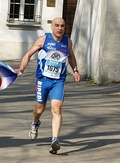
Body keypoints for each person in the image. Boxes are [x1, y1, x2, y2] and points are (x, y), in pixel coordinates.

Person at [14, 17, 81, 154]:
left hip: (58, 81)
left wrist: (75, 70)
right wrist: (21, 68)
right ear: (52, 27)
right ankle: (35, 123)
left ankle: (54, 140)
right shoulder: (43, 40)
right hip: (42, 80)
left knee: (57, 108)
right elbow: (28, 54)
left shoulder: (67, 42)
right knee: (40, 109)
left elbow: (71, 56)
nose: (60, 28)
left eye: (62, 26)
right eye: (57, 25)